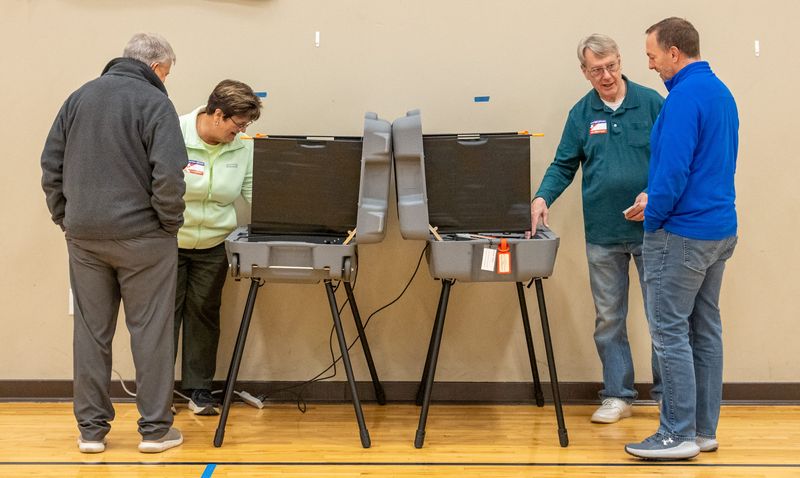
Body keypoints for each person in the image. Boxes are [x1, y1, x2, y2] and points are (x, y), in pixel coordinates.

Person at [40, 33, 187, 453]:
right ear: (158, 68)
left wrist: (66, 218)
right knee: (151, 334)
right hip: (145, 238)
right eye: (168, 73)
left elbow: (50, 165)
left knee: (90, 334)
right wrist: (168, 224)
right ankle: (156, 431)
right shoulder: (156, 103)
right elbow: (169, 176)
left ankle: (90, 432)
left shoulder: (79, 98)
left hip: (85, 237)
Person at [531, 34, 664, 424]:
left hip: (653, 232)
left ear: (621, 61)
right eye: (596, 70)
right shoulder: (582, 113)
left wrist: (652, 193)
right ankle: (618, 395)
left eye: (611, 66)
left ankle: (668, 396)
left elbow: (675, 159)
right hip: (603, 235)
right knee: (609, 318)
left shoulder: (652, 103)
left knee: (662, 317)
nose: (605, 76)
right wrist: (542, 198)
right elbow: (563, 165)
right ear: (584, 71)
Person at [625, 17, 739, 460]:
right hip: (719, 231)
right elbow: (707, 164)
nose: (650, 65)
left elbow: (673, 171)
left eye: (652, 56)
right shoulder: (720, 93)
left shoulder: (683, 98)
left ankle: (676, 433)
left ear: (675, 53)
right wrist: (656, 194)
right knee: (705, 329)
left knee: (669, 332)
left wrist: (652, 214)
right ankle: (703, 430)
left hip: (683, 234)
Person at [174, 80, 262, 415]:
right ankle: (155, 394)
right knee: (163, 318)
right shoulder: (174, 133)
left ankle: (199, 390)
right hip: (170, 242)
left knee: (204, 315)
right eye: (237, 125)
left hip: (213, 244)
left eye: (246, 127)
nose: (240, 133)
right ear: (217, 114)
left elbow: (253, 192)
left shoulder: (243, 148)